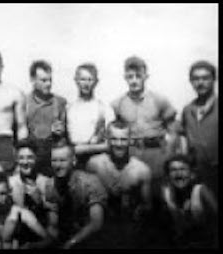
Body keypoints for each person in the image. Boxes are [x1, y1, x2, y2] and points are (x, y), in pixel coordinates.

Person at [111, 56, 177, 193]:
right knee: (134, 194)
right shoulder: (118, 104)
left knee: (158, 193)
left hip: (156, 152)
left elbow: (173, 130)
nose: (134, 80)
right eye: (130, 76)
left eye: (138, 76)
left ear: (146, 76)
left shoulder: (159, 100)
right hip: (132, 154)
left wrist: (168, 156)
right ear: (125, 77)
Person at [85, 121, 153, 248]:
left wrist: (138, 210)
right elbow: (85, 197)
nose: (119, 144)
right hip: (100, 224)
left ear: (130, 140)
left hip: (128, 225)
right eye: (114, 139)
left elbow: (147, 205)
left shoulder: (141, 170)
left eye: (123, 139)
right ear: (107, 139)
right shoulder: (94, 164)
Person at [45, 144, 107, 248]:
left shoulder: (90, 183)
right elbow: (53, 224)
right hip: (67, 235)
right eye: (54, 161)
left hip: (92, 240)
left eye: (62, 160)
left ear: (73, 161)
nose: (58, 165)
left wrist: (71, 243)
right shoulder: (50, 185)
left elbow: (96, 223)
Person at [160, 154, 218, 248]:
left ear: (192, 174)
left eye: (183, 169)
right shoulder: (167, 194)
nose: (178, 174)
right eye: (173, 170)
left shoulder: (201, 192)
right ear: (168, 175)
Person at [179, 61, 218, 198]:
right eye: (196, 79)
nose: (200, 83)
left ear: (214, 79)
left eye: (205, 78)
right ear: (190, 81)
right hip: (197, 174)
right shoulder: (187, 110)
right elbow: (183, 140)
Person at [66, 63, 113, 168]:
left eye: (90, 79)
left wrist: (84, 149)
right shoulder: (68, 108)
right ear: (76, 80)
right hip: (72, 162)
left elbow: (111, 144)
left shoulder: (104, 108)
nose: (86, 84)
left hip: (96, 161)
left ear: (96, 82)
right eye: (82, 79)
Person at [25, 60, 67, 177]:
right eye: (43, 80)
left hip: (52, 160)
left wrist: (61, 132)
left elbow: (66, 136)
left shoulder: (60, 103)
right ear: (33, 80)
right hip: (31, 160)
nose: (48, 84)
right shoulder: (25, 103)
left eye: (50, 80)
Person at [8, 139, 54, 236]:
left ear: (36, 158)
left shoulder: (46, 183)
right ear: (16, 159)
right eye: (21, 158)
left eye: (30, 157)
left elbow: (53, 220)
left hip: (42, 232)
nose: (25, 162)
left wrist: (40, 202)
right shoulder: (10, 183)